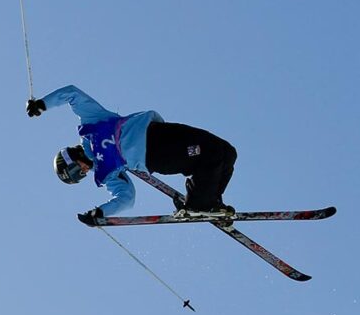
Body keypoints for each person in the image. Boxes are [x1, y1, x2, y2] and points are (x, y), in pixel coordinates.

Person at [27, 84, 238, 224]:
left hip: (158, 134)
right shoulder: (107, 173)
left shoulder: (92, 124)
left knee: (226, 152)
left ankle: (210, 202)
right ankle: (199, 203)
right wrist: (100, 213)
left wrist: (42, 104)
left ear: (71, 155)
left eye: (76, 170)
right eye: (79, 177)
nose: (83, 172)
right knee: (210, 153)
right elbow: (126, 198)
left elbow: (72, 93)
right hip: (157, 156)